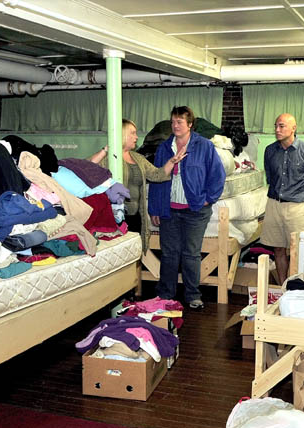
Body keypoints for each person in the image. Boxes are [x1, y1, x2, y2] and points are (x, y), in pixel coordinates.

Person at [148, 106, 226, 309]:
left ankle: (193, 295)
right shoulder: (164, 148)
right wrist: (154, 208)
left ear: (190, 124)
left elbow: (218, 175)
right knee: (169, 253)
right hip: (169, 209)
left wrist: (209, 198)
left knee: (191, 253)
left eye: (179, 122)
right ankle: (165, 295)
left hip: (195, 210)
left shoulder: (204, 146)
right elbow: (157, 178)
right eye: (173, 122)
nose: (175, 125)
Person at [90, 119, 186, 252]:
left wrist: (172, 162)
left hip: (136, 217)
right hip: (114, 218)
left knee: (134, 255)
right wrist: (105, 150)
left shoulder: (138, 158)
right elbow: (87, 168)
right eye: (133, 133)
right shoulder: (108, 158)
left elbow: (156, 175)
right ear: (122, 134)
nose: (136, 137)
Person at [262, 113, 304, 285]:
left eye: (281, 126)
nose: (277, 130)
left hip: (297, 207)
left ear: (293, 128)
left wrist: (300, 195)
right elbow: (270, 177)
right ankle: (283, 287)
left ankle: (295, 286)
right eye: (276, 126)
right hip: (274, 205)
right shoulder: (270, 151)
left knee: (296, 250)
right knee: (278, 249)